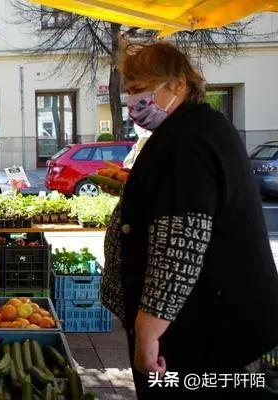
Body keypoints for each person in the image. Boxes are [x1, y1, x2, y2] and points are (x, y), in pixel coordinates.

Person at [100, 41, 278, 399]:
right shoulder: (200, 126)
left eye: (140, 89)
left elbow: (179, 245)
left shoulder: (185, 141)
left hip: (198, 329)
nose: (133, 102)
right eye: (129, 92)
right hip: (210, 320)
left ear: (178, 84)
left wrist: (148, 333)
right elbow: (183, 202)